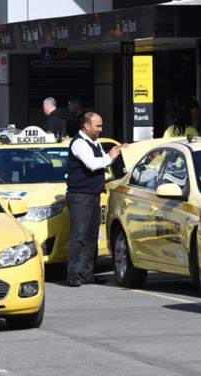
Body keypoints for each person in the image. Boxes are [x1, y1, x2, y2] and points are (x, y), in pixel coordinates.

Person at [66, 112, 122, 287]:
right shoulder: (79, 143)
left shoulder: (94, 142)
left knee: (91, 237)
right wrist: (110, 157)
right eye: (97, 126)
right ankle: (74, 274)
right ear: (86, 126)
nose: (101, 129)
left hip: (92, 196)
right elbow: (92, 164)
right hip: (80, 196)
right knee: (79, 236)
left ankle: (88, 273)